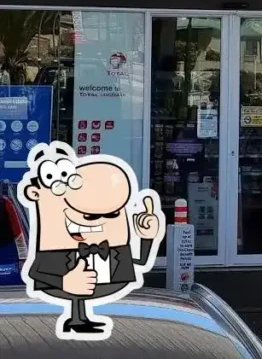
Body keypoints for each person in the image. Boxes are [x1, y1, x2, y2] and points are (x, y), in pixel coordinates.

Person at [17, 141, 165, 339]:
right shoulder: (54, 252)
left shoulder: (115, 249)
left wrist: (147, 237)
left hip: (106, 288)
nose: (98, 221)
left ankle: (81, 318)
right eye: (89, 216)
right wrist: (64, 282)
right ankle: (76, 319)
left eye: (113, 214)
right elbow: (35, 272)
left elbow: (141, 262)